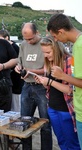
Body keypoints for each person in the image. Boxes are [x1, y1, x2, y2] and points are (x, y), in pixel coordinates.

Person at [35, 35, 80, 149]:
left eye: (48, 52)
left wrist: (49, 82)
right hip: (53, 108)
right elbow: (52, 88)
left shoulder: (70, 60)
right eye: (43, 52)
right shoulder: (49, 62)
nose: (45, 55)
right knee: (61, 141)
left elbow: (71, 90)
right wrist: (44, 83)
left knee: (72, 143)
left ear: (57, 49)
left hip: (66, 109)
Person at [14, 22, 52, 150]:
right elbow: (19, 63)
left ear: (37, 33)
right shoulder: (23, 45)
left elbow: (49, 70)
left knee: (45, 124)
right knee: (24, 123)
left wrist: (30, 70)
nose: (28, 42)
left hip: (42, 86)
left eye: (31, 38)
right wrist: (18, 69)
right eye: (25, 39)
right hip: (27, 86)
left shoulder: (46, 44)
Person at [47, 13, 82, 149]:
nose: (55, 40)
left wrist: (62, 76)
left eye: (55, 37)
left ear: (61, 31)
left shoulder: (79, 46)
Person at [0, 29, 24, 112]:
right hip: (7, 81)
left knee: (16, 105)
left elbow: (19, 61)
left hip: (16, 79)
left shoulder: (15, 47)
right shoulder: (2, 48)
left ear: (7, 38)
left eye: (2, 39)